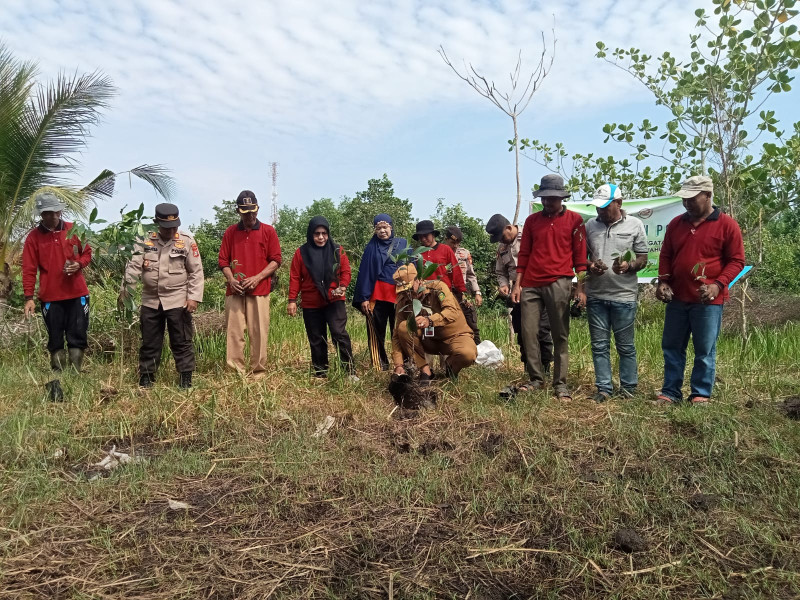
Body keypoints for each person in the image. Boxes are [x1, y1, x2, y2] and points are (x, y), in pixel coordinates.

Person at [655, 175, 745, 405]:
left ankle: (700, 393)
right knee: (672, 346)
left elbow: (737, 261)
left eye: (692, 199)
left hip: (708, 301)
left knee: (704, 349)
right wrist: (663, 281)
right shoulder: (676, 224)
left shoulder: (727, 225)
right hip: (677, 297)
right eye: (684, 199)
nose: (687, 203)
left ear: (707, 196)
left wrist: (717, 284)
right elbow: (666, 255)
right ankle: (671, 392)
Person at [511, 174, 587, 399]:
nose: (546, 202)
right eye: (543, 198)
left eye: (551, 198)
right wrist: (518, 284)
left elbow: (580, 258)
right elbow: (523, 254)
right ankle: (536, 378)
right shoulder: (533, 221)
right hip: (531, 283)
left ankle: (560, 384)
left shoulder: (575, 221)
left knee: (559, 333)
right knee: (528, 332)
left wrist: (580, 288)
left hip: (559, 281)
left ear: (561, 197)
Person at [121, 203, 204, 388]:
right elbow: (133, 266)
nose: (171, 230)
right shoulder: (144, 239)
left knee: (181, 341)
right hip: (150, 300)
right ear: (157, 223)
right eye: (167, 227)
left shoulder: (186, 240)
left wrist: (193, 297)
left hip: (178, 299)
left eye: (174, 226)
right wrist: (127, 291)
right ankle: (147, 377)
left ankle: (185, 378)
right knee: (150, 341)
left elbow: (196, 271)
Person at [22, 192, 92, 401]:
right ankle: (58, 373)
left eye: (54, 212)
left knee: (77, 333)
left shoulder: (74, 230)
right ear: (41, 215)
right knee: (55, 337)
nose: (51, 216)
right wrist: (28, 297)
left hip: (77, 293)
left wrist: (78, 263)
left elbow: (87, 253)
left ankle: (75, 373)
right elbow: (29, 268)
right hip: (50, 296)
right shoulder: (33, 238)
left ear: (60, 211)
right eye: (47, 213)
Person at [584, 184, 649, 402]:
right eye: (598, 207)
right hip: (596, 296)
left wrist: (629, 266)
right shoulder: (589, 226)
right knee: (599, 346)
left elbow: (642, 258)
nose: (599, 211)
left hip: (624, 296)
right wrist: (590, 266)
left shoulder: (635, 225)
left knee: (626, 346)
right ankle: (603, 388)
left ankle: (629, 389)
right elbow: (581, 258)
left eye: (604, 207)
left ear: (619, 203)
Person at [218, 190, 282, 378]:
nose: (250, 216)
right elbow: (223, 261)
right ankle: (235, 372)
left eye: (253, 211)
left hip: (260, 290)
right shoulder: (230, 232)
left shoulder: (268, 231)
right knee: (234, 332)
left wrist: (257, 277)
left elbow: (276, 260)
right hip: (235, 290)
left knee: (259, 332)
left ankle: (258, 372)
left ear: (257, 209)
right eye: (245, 212)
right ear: (238, 211)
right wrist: (231, 279)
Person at [288, 216, 356, 379]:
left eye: (324, 233)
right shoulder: (301, 252)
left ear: (328, 234)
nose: (320, 237)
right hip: (311, 302)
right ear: (310, 234)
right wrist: (292, 300)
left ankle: (349, 371)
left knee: (339, 334)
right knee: (316, 337)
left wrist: (343, 286)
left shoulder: (338, 250)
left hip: (334, 299)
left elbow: (346, 271)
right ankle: (321, 372)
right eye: (316, 233)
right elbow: (295, 277)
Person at [486, 213, 554, 373]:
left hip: (538, 291)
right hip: (517, 296)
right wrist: (503, 285)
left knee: (542, 330)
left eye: (502, 236)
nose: (501, 241)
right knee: (522, 332)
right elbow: (500, 271)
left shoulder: (531, 235)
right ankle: (528, 367)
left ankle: (545, 368)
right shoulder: (502, 248)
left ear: (509, 228)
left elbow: (542, 261)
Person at [391, 263, 477, 382]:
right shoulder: (404, 300)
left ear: (418, 280)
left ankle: (451, 368)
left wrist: (430, 320)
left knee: (467, 354)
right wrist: (398, 365)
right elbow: (397, 334)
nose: (408, 294)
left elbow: (452, 312)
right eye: (404, 291)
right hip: (428, 340)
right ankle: (426, 371)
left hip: (454, 336)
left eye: (410, 289)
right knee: (404, 327)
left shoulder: (438, 288)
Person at [352, 214, 408, 371]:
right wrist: (364, 297)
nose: (382, 231)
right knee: (376, 332)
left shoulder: (402, 243)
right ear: (375, 230)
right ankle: (379, 365)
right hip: (377, 295)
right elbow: (365, 272)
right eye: (379, 228)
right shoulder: (371, 248)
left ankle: (403, 364)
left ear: (391, 227)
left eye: (385, 227)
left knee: (400, 331)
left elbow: (412, 265)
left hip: (399, 295)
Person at [442, 225, 482, 344]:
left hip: (463, 292)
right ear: (446, 239)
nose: (455, 246)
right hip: (446, 292)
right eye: (452, 242)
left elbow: (471, 275)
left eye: (458, 243)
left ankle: (477, 352)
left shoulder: (464, 253)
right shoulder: (439, 252)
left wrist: (477, 292)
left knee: (471, 321)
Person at [411, 220, 466, 294]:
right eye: (420, 237)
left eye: (426, 236)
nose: (423, 239)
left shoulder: (445, 249)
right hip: (424, 292)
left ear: (433, 234)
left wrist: (462, 291)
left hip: (443, 291)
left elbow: (456, 270)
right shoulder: (418, 253)